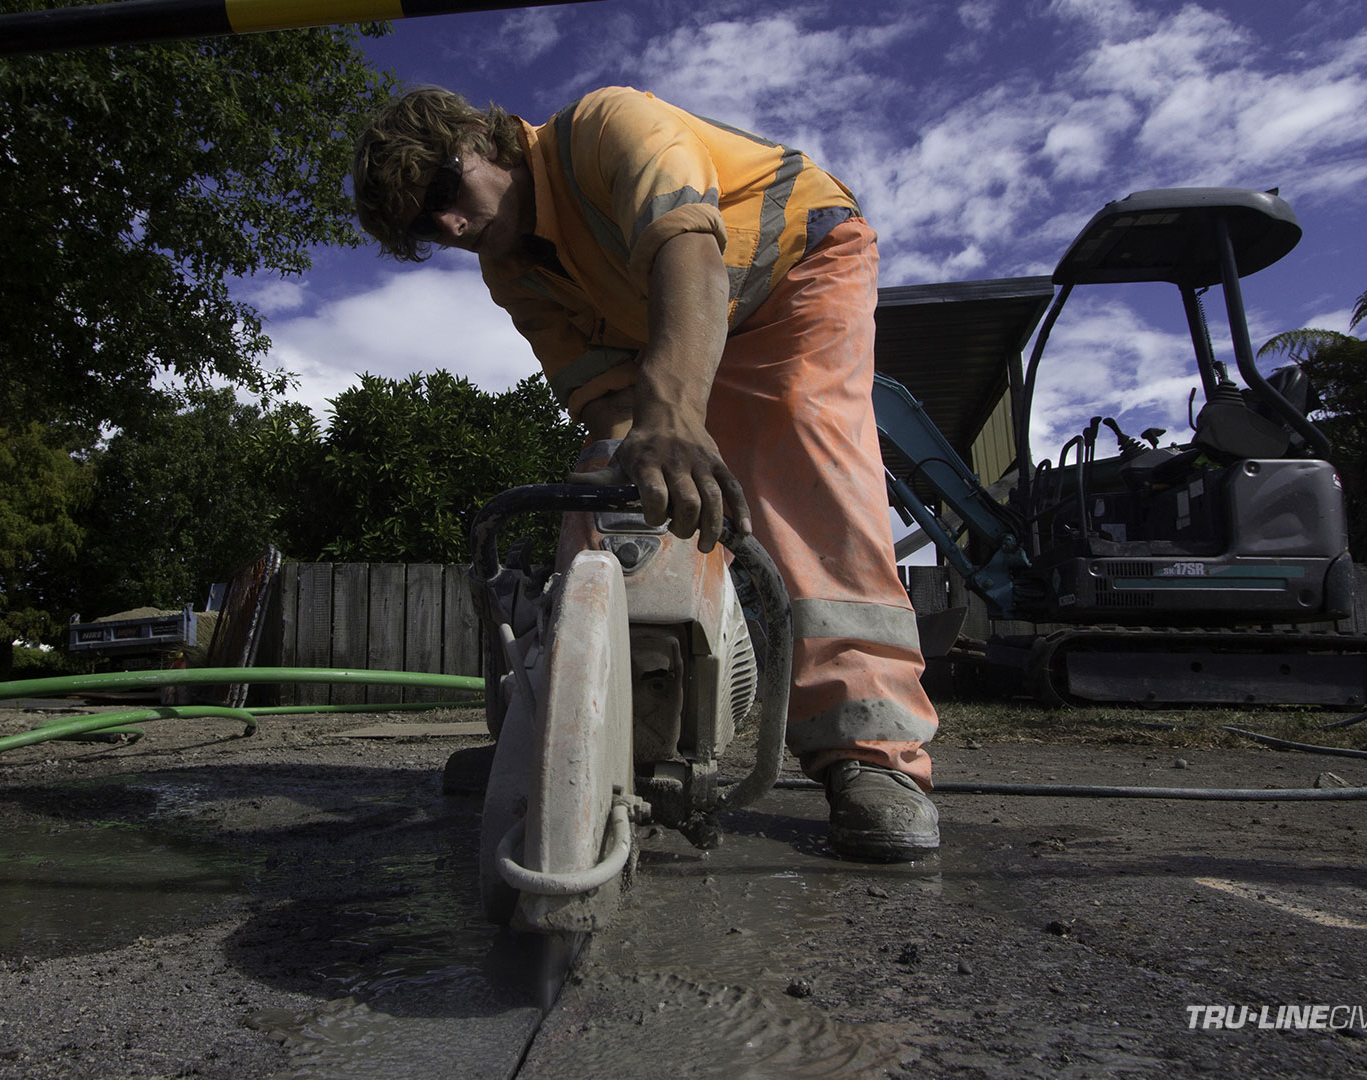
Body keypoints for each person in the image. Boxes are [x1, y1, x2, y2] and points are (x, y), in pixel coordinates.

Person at [352, 86, 939, 861]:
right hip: (674, 328)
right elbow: (602, 396)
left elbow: (687, 247)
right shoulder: (511, 270)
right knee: (602, 492)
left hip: (793, 268)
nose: (452, 226)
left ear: (479, 139)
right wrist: (633, 459)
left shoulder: (605, 128)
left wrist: (671, 415)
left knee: (803, 464)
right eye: (427, 226)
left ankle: (872, 754)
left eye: (443, 193)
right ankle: (586, 726)